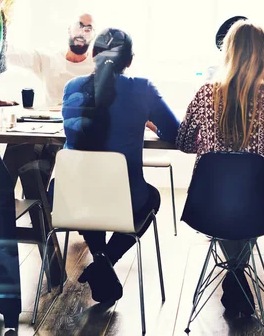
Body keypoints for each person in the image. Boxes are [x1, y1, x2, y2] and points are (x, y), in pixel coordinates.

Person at [176, 20, 264, 317]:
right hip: (258, 202)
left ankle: (236, 274)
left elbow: (184, 142)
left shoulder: (206, 93)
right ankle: (238, 274)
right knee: (247, 198)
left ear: (228, 52)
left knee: (228, 200)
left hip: (207, 200)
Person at [61, 28, 179, 303]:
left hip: (73, 200)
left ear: (93, 55)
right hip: (124, 199)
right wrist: (146, 120)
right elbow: (175, 133)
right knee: (151, 197)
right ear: (130, 60)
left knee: (89, 190)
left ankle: (101, 261)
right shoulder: (141, 88)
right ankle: (104, 262)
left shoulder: (72, 87)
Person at [7, 13, 96, 106]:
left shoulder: (99, 66)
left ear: (94, 35)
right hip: (52, 118)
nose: (82, 33)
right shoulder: (49, 60)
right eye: (79, 26)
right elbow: (12, 54)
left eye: (88, 30)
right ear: (69, 29)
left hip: (85, 119)